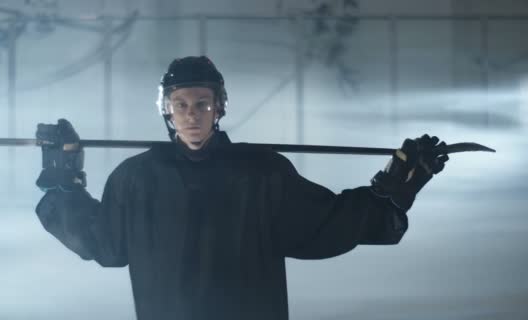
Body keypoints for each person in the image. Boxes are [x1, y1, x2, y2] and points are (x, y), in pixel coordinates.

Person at [34, 56, 449, 320]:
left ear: (220, 107)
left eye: (202, 104)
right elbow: (104, 244)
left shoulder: (262, 173)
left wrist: (391, 190)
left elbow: (326, 224)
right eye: (181, 105)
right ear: (166, 109)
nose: (192, 115)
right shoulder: (137, 178)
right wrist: (64, 182)